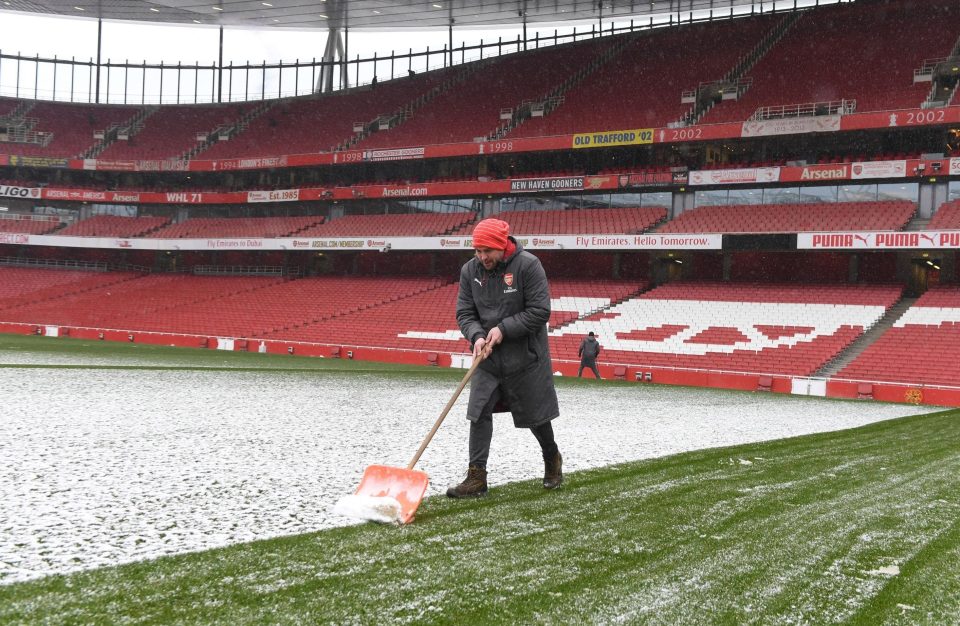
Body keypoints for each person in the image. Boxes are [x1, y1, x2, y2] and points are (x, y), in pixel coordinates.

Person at [447, 218, 563, 498]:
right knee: (479, 412)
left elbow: (540, 311)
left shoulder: (528, 266)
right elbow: (465, 312)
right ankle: (476, 477)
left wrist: (503, 329)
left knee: (536, 417)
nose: (482, 257)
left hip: (525, 358)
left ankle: (552, 458)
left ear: (502, 245)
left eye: (487, 250)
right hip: (488, 359)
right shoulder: (469, 271)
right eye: (477, 251)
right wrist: (476, 336)